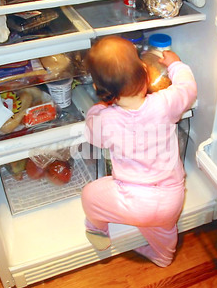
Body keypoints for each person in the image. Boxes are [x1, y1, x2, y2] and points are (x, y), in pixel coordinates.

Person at [81, 35, 197, 267]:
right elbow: (188, 88)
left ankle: (97, 229)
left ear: (98, 89)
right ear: (146, 72)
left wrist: (96, 109)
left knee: (90, 195)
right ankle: (163, 256)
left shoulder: (105, 119)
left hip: (132, 201)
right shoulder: (165, 103)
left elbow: (91, 134)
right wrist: (176, 65)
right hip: (172, 198)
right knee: (165, 230)